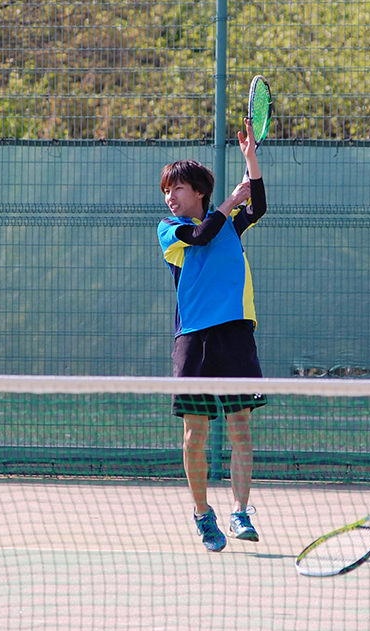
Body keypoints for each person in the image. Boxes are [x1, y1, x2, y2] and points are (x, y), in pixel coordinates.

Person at [157, 118, 267, 552]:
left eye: (177, 189)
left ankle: (241, 511)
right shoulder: (170, 229)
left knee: (241, 428)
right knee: (194, 434)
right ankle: (204, 515)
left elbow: (256, 207)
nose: (170, 196)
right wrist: (228, 203)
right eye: (167, 190)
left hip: (235, 334)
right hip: (193, 342)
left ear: (198, 191)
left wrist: (251, 162)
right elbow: (202, 236)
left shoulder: (232, 224)